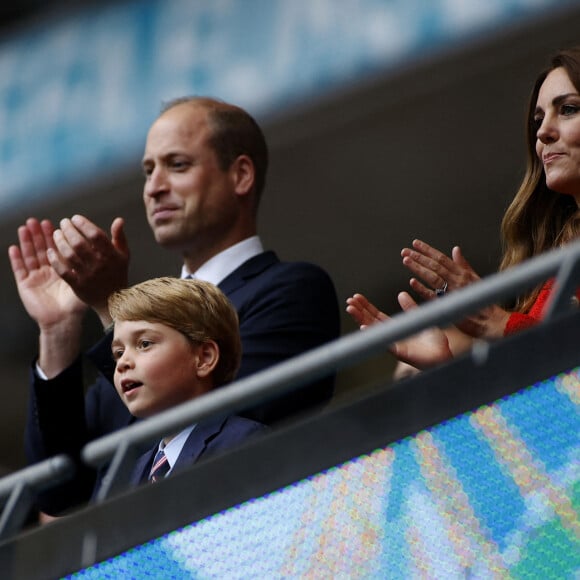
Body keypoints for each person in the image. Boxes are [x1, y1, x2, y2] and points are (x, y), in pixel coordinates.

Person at [9, 96, 340, 515]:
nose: (154, 186)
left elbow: (211, 434)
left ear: (240, 175)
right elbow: (58, 493)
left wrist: (116, 311)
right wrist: (57, 330)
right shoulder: (129, 347)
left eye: (177, 165)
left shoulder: (292, 290)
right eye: (148, 170)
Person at [347, 46, 580, 373]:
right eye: (538, 120)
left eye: (568, 109)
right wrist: (446, 369)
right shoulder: (557, 259)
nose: (542, 132)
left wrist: (497, 322)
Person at [93, 276, 267, 495]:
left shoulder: (244, 443)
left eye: (144, 344)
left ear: (204, 357)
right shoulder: (131, 473)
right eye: (118, 353)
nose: (123, 363)